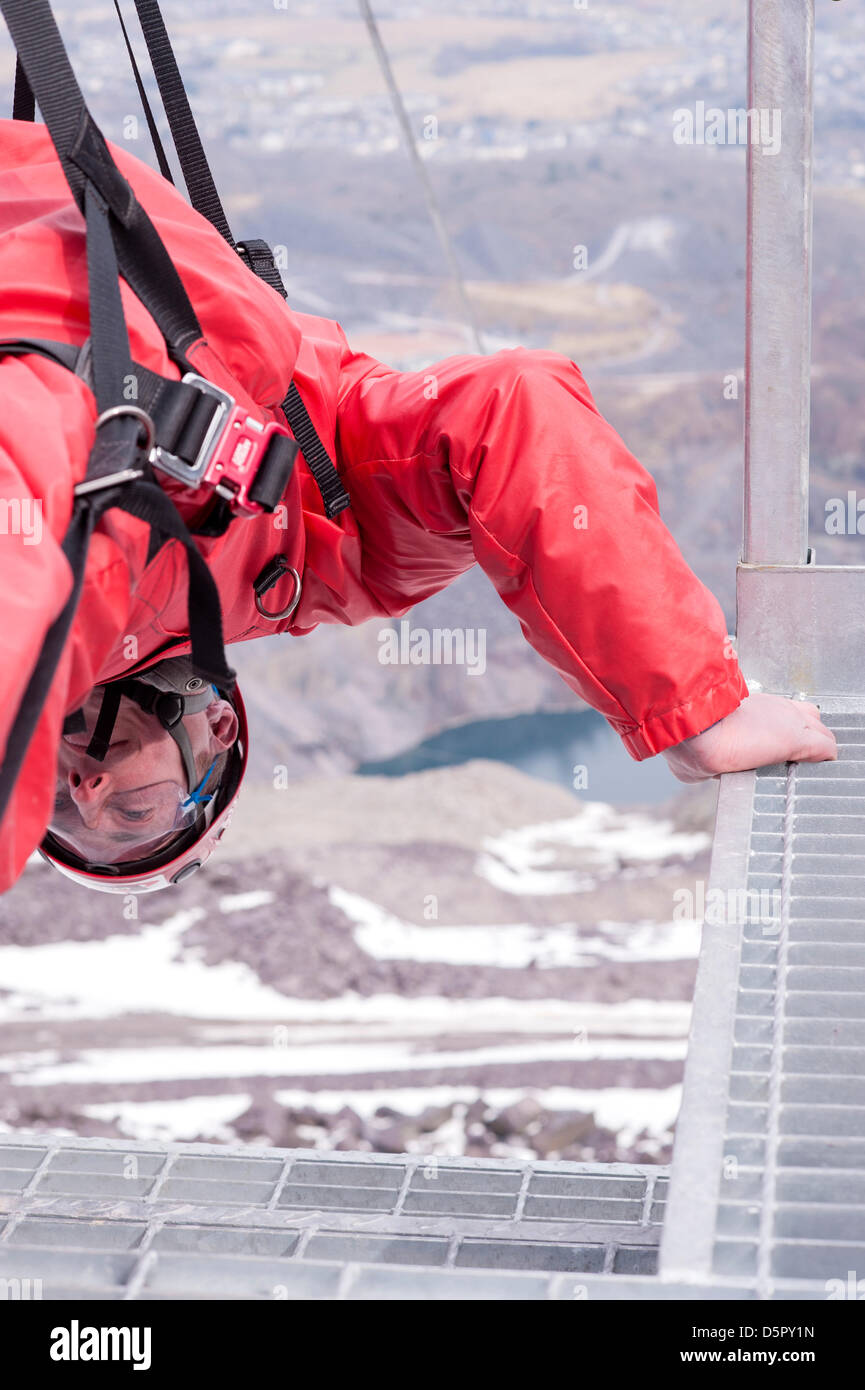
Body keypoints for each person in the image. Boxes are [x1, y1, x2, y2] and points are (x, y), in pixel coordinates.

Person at [0, 119, 837, 895]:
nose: (86, 785)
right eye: (130, 815)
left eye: (63, 811)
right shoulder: (327, 545)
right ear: (216, 731)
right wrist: (693, 707)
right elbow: (512, 411)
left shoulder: (95, 587)